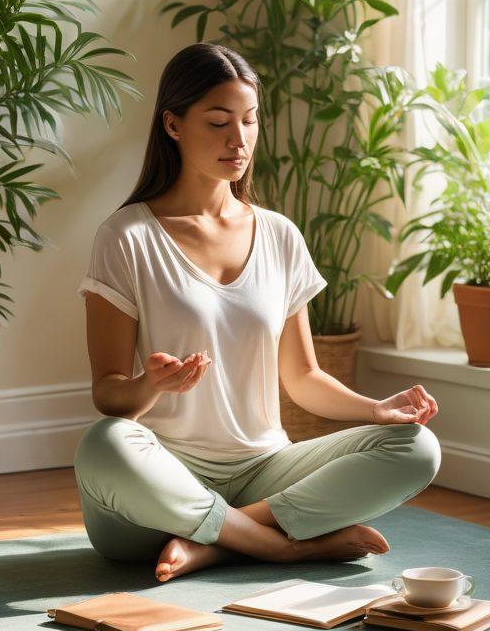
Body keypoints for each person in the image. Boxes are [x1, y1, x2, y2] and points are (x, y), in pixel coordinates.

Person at [75, 42, 441, 584]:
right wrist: (151, 384)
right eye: (219, 121)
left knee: (417, 448)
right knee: (104, 444)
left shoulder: (279, 235)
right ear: (173, 125)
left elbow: (304, 377)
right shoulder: (126, 237)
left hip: (264, 474)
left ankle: (221, 543)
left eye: (249, 120)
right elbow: (108, 395)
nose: (239, 139)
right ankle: (280, 547)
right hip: (158, 493)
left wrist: (376, 409)